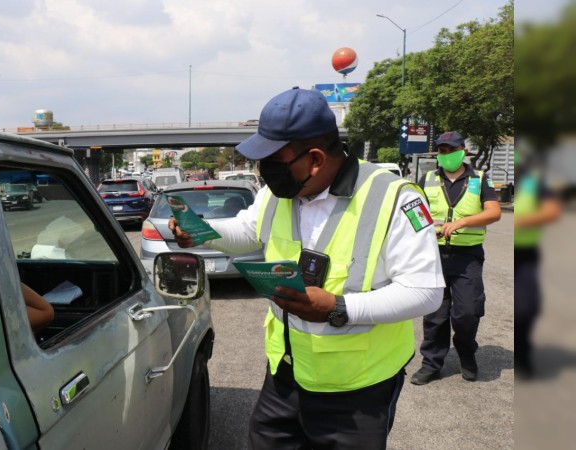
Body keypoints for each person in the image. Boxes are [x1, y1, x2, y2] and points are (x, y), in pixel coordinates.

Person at [169, 87, 444, 449]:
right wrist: (203, 232)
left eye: (273, 160)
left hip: (356, 389)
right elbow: (249, 231)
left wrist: (338, 308)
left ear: (314, 159)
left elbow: (425, 291)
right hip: (287, 372)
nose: (264, 171)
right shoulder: (279, 191)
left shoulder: (394, 198)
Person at [410, 131, 502, 385]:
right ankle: (431, 364)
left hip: (467, 257)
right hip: (433, 254)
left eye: (451, 149)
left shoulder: (479, 179)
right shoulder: (427, 179)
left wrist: (461, 222)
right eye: (442, 150)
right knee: (435, 315)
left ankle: (466, 353)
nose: (447, 155)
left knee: (467, 313)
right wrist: (426, 225)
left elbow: (494, 212)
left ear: (464, 150)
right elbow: (412, 211)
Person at [513, 150, 561, 379]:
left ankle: (522, 354)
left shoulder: (534, 183)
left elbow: (552, 211)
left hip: (525, 254)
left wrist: (524, 221)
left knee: (526, 307)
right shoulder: (487, 181)